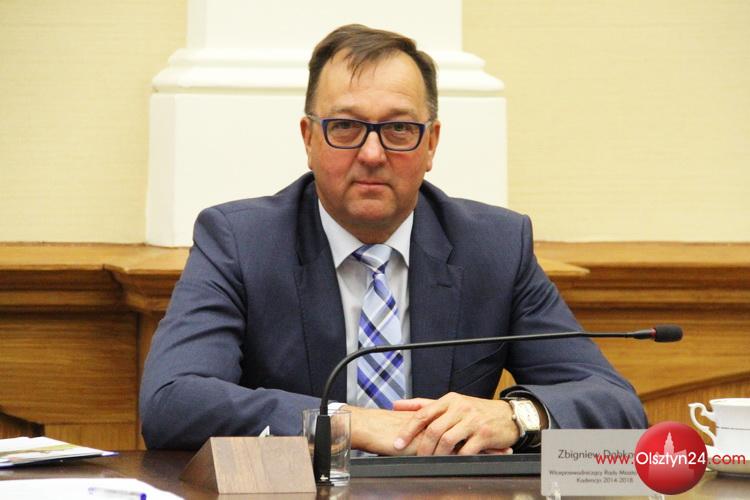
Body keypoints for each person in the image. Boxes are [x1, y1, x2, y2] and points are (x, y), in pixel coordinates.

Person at [140, 24, 647, 455]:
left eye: (399, 129)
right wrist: (347, 423)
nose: (372, 154)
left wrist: (517, 417)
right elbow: (171, 402)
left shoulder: (494, 247)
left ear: (431, 144)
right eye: (345, 127)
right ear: (309, 139)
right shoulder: (241, 242)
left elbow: (617, 405)